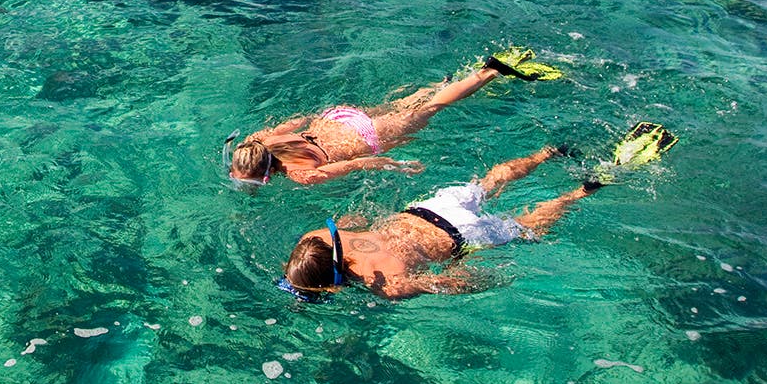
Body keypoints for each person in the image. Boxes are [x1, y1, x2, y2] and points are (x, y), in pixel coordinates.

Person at [275, 124, 675, 301]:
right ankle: (549, 152)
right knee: (488, 183)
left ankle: (585, 190)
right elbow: (354, 219)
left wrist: (488, 279)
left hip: (461, 239)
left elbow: (454, 282)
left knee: (525, 228)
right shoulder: (319, 236)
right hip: (428, 208)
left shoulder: (389, 287)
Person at [226, 48, 564, 186]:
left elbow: (357, 164)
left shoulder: (302, 175)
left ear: (266, 177)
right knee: (408, 107)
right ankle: (437, 83)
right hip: (337, 118)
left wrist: (398, 166)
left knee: (432, 109)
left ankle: (490, 72)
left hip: (365, 136)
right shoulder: (257, 141)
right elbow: (297, 120)